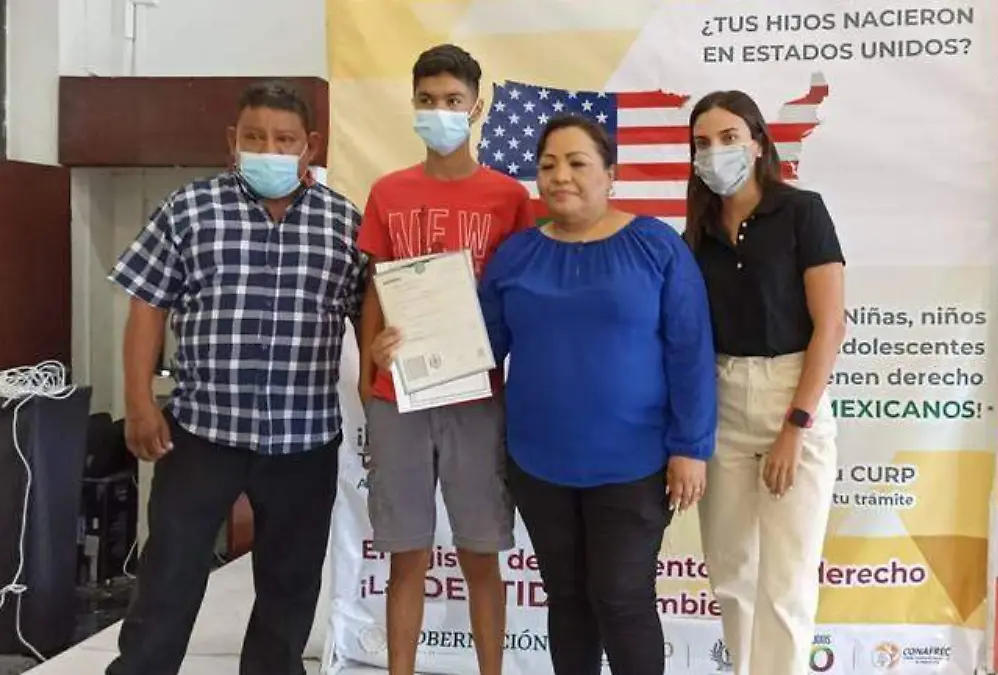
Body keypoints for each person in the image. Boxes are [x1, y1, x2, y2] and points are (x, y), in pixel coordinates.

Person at [106, 80, 366, 675]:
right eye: (255, 137)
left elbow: (371, 317)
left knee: (290, 584)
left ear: (309, 145)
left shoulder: (344, 223)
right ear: (233, 140)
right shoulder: (188, 209)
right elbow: (147, 305)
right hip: (202, 432)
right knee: (169, 574)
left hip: (303, 439)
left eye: (284, 140)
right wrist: (139, 400)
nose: (269, 150)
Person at [477, 115, 717, 675]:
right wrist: (410, 345)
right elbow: (481, 348)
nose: (560, 175)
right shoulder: (515, 255)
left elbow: (690, 350)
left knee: (621, 596)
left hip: (634, 463)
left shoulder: (655, 246)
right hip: (539, 464)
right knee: (566, 597)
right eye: (548, 165)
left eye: (577, 163)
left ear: (610, 175)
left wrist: (691, 447)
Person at [358, 44, 532, 675]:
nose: (440, 111)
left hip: (476, 395)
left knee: (480, 555)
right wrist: (368, 366)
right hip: (398, 394)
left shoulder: (509, 198)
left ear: (476, 107)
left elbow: (522, 296)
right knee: (406, 556)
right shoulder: (388, 192)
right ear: (412, 104)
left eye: (453, 101)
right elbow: (375, 286)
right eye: (427, 100)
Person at [687, 90, 846, 675]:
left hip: (792, 395)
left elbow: (831, 325)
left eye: (729, 137)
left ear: (757, 143)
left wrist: (795, 429)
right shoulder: (698, 233)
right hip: (723, 398)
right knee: (732, 573)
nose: (716, 151)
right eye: (703, 143)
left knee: (787, 578)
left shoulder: (802, 211)